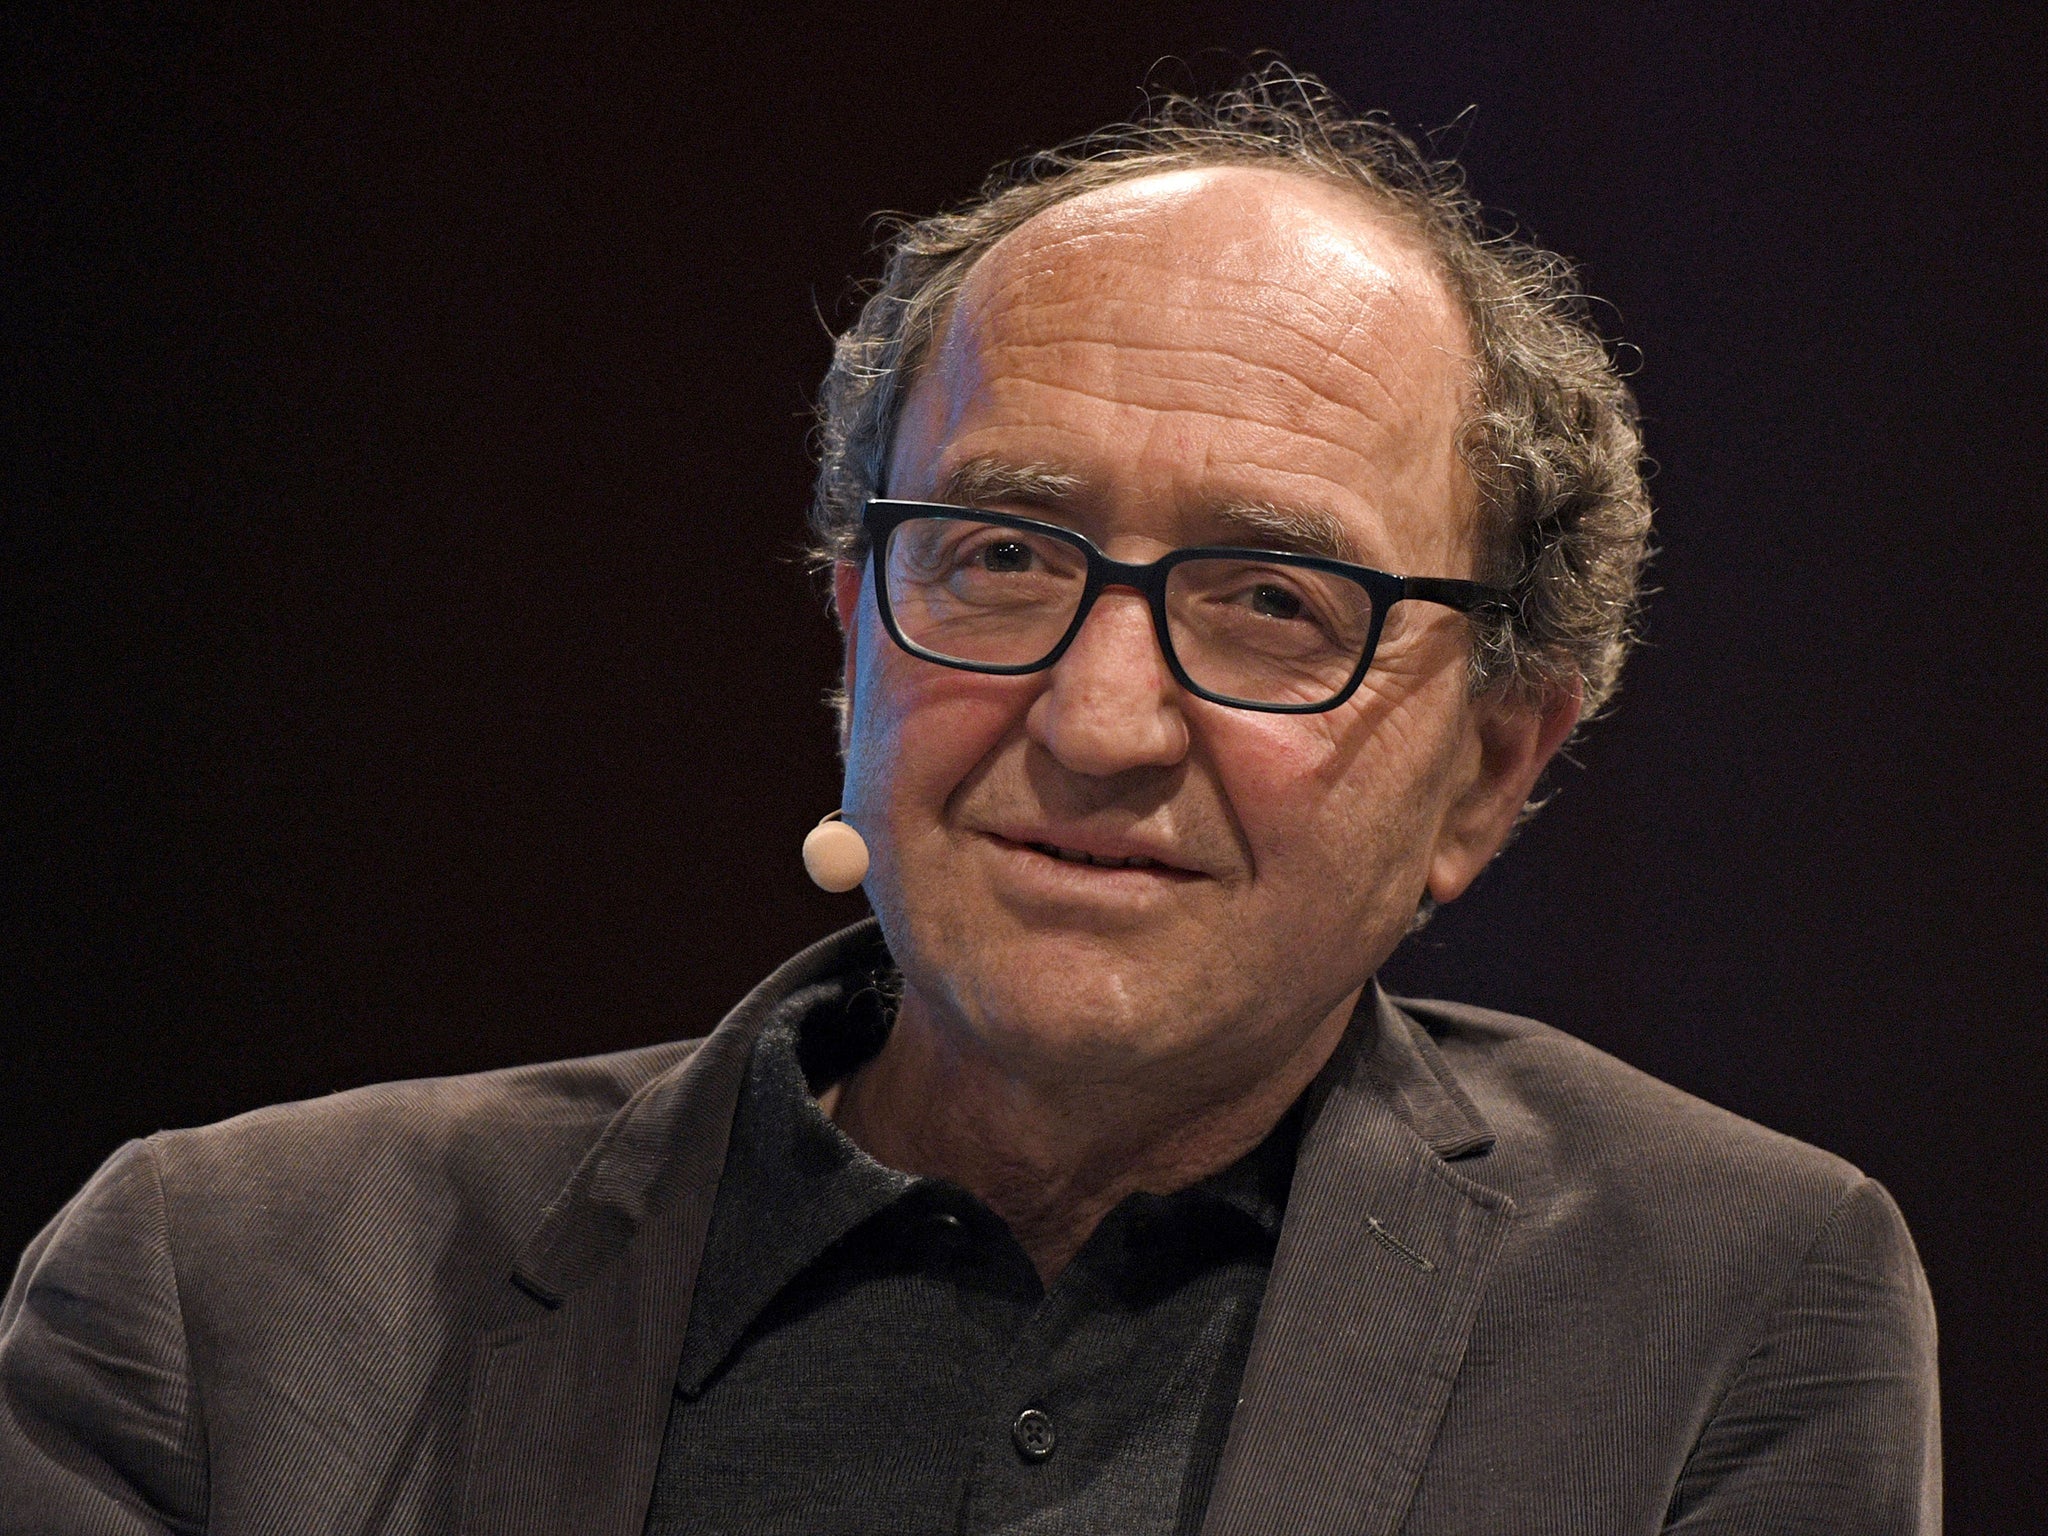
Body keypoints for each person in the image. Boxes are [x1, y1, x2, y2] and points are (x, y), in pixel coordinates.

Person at [1, 70, 1937, 1535]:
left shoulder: (1722, 1299)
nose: (1099, 719)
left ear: (1492, 766)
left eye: (1273, 603)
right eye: (1000, 555)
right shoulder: (228, 1286)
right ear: (853, 632)